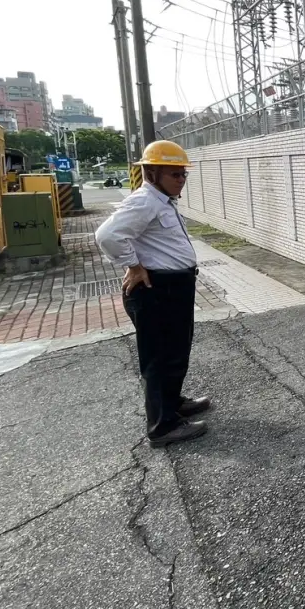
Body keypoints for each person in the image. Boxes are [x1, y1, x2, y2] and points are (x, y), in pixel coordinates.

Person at [95, 139, 210, 448]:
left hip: (174, 288)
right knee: (159, 358)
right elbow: (107, 235)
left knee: (176, 352)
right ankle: (162, 426)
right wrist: (132, 265)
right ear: (152, 172)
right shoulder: (145, 201)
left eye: (184, 174)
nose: (182, 179)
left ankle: (173, 404)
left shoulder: (162, 201)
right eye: (175, 174)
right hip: (156, 290)